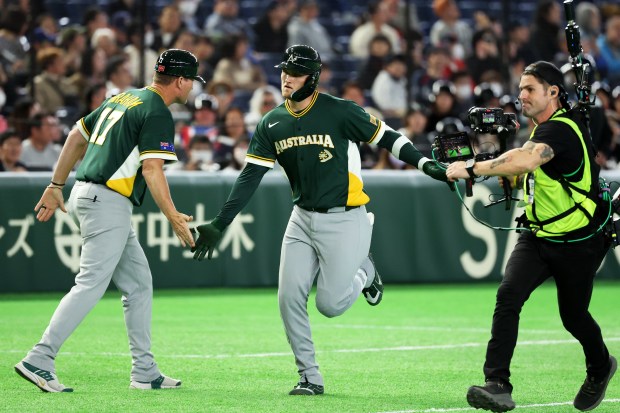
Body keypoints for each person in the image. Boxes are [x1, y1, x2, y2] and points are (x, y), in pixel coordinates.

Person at [190, 44, 450, 395]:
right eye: (284, 70)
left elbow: (387, 136)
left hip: (346, 218)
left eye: (295, 72)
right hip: (301, 218)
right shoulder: (273, 121)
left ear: (312, 78)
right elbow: (250, 176)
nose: (286, 77)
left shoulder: (339, 111)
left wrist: (423, 163)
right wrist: (221, 223)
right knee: (288, 298)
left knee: (329, 305)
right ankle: (310, 377)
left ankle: (364, 271)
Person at [14, 48, 201, 393]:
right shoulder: (157, 110)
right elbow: (152, 168)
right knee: (90, 283)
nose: (192, 88)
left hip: (87, 195)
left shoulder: (125, 97)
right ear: (179, 80)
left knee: (139, 283)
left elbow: (75, 135)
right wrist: (173, 216)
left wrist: (57, 184)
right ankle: (39, 358)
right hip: (107, 201)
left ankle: (144, 371)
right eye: (191, 81)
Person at [446, 61, 616, 413]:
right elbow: (529, 167)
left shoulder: (561, 129)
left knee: (574, 316)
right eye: (521, 88)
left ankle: (601, 367)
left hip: (578, 241)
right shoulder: (542, 131)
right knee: (508, 295)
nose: (520, 95)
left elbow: (525, 161)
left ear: (553, 92)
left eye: (529, 89)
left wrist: (474, 168)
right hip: (538, 236)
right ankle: (497, 384)